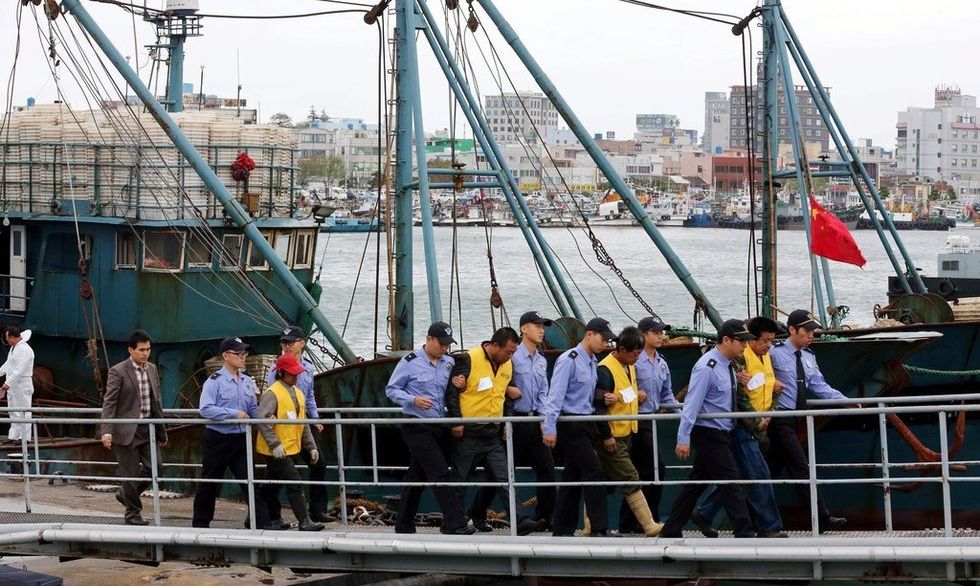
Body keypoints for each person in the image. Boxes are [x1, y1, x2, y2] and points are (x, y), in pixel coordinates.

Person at [660, 319, 756, 538]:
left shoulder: (727, 365)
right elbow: (692, 404)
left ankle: (671, 528)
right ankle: (745, 531)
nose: (745, 346)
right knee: (731, 481)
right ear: (726, 340)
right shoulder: (707, 367)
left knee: (696, 483)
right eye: (741, 341)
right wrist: (683, 438)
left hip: (722, 432)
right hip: (709, 432)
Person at [692, 316, 787, 538]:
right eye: (764, 341)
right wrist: (755, 422)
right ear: (751, 340)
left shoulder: (765, 358)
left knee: (739, 477)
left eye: (771, 341)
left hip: (754, 425)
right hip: (742, 427)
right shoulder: (738, 360)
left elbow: (772, 388)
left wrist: (770, 414)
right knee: (757, 476)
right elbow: (739, 397)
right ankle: (769, 526)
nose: (769, 345)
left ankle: (705, 512)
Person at [446, 327, 542, 535]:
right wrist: (456, 423)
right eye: (508, 351)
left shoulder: (508, 364)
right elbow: (452, 392)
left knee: (504, 478)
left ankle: (520, 521)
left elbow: (506, 395)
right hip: (470, 432)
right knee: (460, 480)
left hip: (492, 434)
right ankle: (452, 523)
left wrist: (505, 422)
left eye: (514, 351)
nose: (512, 355)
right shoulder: (468, 359)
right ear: (494, 345)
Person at [385, 321, 474, 535]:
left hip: (438, 426)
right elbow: (391, 389)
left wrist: (462, 384)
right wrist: (413, 399)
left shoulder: (448, 363)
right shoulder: (410, 362)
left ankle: (404, 524)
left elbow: (452, 391)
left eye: (448, 345)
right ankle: (455, 524)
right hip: (416, 425)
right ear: (429, 340)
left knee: (417, 476)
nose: (445, 348)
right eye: (442, 344)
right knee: (440, 473)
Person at [767, 309, 850, 533]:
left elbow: (819, 387)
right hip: (779, 418)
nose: (811, 336)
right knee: (800, 468)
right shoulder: (773, 354)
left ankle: (718, 511)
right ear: (792, 330)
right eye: (807, 331)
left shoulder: (809, 357)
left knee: (768, 470)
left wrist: (844, 401)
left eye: (813, 332)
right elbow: (759, 375)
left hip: (795, 420)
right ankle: (823, 518)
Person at [540, 317, 616, 537]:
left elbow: (587, 397)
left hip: (586, 424)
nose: (606, 344)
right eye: (603, 338)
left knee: (572, 478)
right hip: (571, 425)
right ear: (590, 334)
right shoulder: (569, 360)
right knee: (594, 471)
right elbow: (555, 396)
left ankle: (562, 529)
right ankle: (599, 528)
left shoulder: (592, 361)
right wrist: (550, 428)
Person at [593, 326, 663, 537]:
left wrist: (624, 396)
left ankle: (589, 525)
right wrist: (607, 436)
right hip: (613, 436)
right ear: (622, 349)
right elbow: (599, 407)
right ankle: (649, 525)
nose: (636, 358)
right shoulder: (605, 369)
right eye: (634, 354)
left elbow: (625, 393)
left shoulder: (628, 366)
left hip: (626, 434)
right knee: (631, 476)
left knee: (605, 483)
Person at [266, 325, 333, 524]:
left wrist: (315, 419)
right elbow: (272, 396)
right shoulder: (275, 368)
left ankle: (317, 510)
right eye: (283, 342)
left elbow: (309, 397)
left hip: (303, 425)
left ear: (302, 343)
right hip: (284, 427)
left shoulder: (308, 367)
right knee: (280, 473)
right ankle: (266, 511)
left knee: (319, 463)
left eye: (290, 342)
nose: (286, 346)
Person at [100, 329, 168, 526]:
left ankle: (125, 494)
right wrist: (106, 430)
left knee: (156, 468)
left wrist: (162, 430)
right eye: (141, 350)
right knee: (129, 473)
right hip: (127, 430)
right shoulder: (118, 371)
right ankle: (132, 514)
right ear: (131, 350)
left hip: (149, 428)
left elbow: (157, 401)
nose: (145, 353)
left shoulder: (153, 369)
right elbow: (109, 402)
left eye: (148, 349)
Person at [192, 337, 259, 528]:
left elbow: (253, 410)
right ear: (225, 356)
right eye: (239, 354)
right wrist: (233, 414)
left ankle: (260, 521)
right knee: (210, 482)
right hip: (218, 439)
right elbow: (205, 409)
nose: (243, 357)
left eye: (245, 354)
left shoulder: (247, 381)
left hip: (240, 439)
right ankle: (201, 524)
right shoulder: (214, 382)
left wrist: (265, 418)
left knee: (250, 481)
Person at [620, 315, 678, 532]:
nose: (661, 336)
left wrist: (683, 410)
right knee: (655, 470)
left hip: (651, 421)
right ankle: (647, 519)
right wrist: (635, 394)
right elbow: (619, 388)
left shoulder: (662, 363)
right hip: (636, 421)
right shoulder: (632, 361)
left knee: (640, 474)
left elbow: (668, 395)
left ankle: (632, 522)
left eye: (662, 332)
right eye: (656, 332)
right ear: (643, 335)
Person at [255, 353, 324, 532]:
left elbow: (303, 424)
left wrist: (311, 447)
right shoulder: (272, 394)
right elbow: (262, 420)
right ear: (281, 372)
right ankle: (304, 521)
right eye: (292, 373)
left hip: (290, 447)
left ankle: (262, 517)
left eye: (297, 373)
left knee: (272, 485)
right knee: (294, 482)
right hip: (274, 450)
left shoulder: (298, 394)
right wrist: (275, 445)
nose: (296, 376)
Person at [0, 326, 35, 444]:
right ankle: (14, 435)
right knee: (13, 410)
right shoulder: (14, 348)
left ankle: (24, 437)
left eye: (7, 337)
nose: (6, 340)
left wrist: (7, 383)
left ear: (12, 337)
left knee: (24, 410)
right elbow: (8, 365)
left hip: (22, 383)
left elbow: (20, 370)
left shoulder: (25, 350)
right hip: (13, 384)